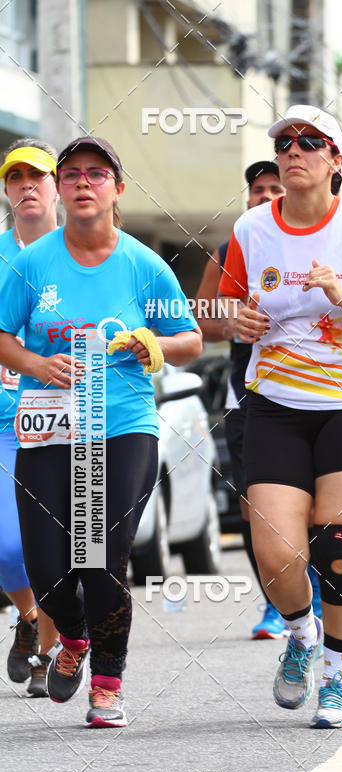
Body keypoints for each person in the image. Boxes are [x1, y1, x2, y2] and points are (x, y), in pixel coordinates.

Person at [219, 105, 342, 727]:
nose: (293, 152)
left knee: (337, 550)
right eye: (284, 143)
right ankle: (301, 635)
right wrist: (235, 321)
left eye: (309, 142)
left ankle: (337, 678)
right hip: (275, 405)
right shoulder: (251, 228)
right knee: (276, 554)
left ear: (335, 159)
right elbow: (216, 311)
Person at [0, 136, 203, 727]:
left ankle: (108, 686)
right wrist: (37, 364)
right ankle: (73, 637)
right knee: (47, 569)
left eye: (96, 173)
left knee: (100, 558)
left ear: (118, 188)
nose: (83, 183)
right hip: (49, 428)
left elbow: (190, 340)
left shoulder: (144, 265)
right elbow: (3, 335)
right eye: (71, 175)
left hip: (121, 428)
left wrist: (154, 344)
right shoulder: (32, 264)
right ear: (61, 190)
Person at [195, 160, 322, 639]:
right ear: (247, 198)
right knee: (255, 507)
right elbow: (200, 320)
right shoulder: (231, 249)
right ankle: (277, 605)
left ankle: (315, 597)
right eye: (257, 189)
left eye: (275, 188)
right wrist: (232, 324)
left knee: (310, 504)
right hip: (248, 393)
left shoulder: (319, 241)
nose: (265, 196)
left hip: (315, 390)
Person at [0, 139, 60, 697]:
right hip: (5, 423)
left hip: (67, 420)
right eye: (16, 178)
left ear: (57, 187)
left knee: (59, 547)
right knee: (8, 548)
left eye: (37, 177)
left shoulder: (82, 253)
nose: (26, 187)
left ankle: (50, 651)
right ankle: (28, 614)